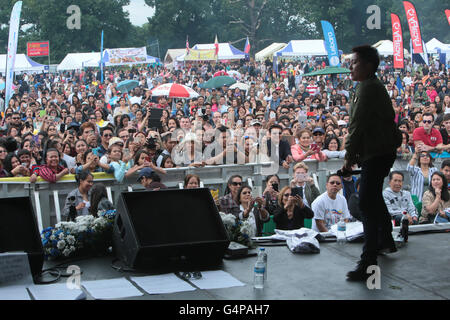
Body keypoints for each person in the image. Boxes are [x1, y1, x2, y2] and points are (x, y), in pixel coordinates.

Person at [343, 45, 402, 281]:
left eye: (355, 62)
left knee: (367, 202)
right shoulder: (366, 86)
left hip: (377, 153)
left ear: (368, 65)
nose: (351, 66)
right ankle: (385, 240)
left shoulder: (368, 89)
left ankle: (368, 260)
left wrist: (349, 157)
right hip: (377, 151)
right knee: (373, 198)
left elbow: (357, 126)